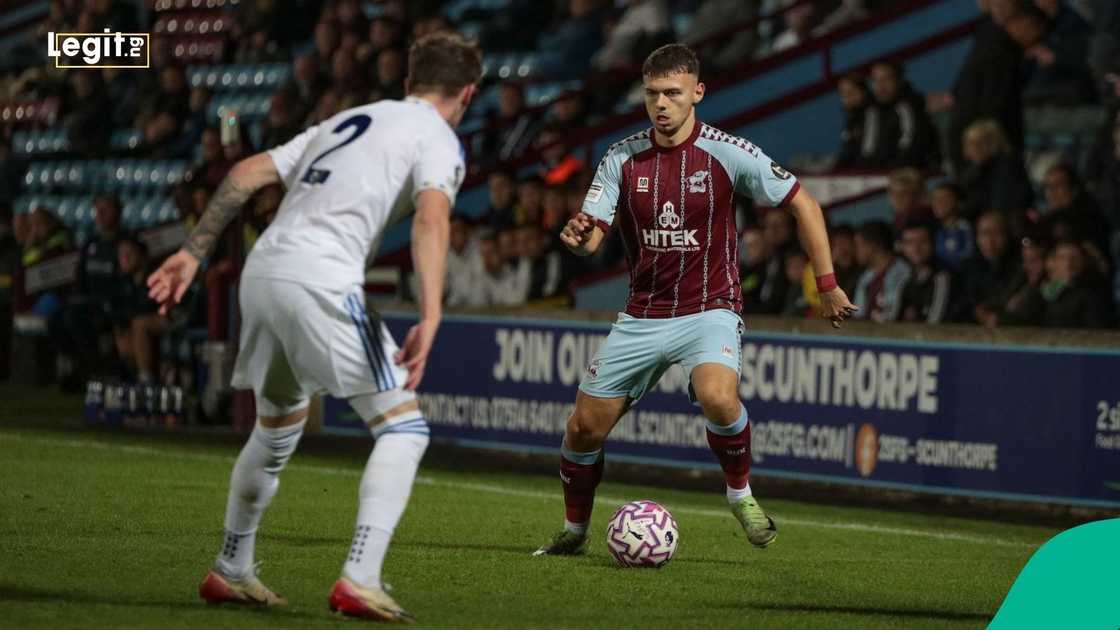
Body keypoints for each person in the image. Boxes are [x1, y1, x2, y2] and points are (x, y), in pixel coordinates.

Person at [147, 32, 482, 622]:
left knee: (276, 429)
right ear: (469, 94)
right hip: (320, 278)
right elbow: (432, 219)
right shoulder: (437, 136)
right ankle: (360, 578)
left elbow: (245, 172)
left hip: (263, 272)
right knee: (404, 428)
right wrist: (432, 314)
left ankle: (232, 568)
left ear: (408, 83)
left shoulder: (348, 119)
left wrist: (193, 253)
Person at [533, 44, 857, 558]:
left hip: (710, 307)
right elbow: (592, 236)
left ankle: (741, 496)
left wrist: (827, 282)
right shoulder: (620, 157)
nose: (661, 104)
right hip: (642, 314)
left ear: (698, 93)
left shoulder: (728, 153)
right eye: (652, 94)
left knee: (719, 397)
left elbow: (805, 204)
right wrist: (578, 235)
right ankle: (574, 531)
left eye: (673, 93)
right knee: (583, 428)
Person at [852, 220, 910, 322]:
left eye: (858, 245)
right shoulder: (865, 277)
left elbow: (893, 315)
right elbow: (858, 315)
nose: (855, 251)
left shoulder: (903, 272)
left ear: (873, 245)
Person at [897, 221, 954, 324]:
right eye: (909, 242)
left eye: (922, 241)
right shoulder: (906, 277)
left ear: (933, 243)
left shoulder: (942, 276)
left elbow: (934, 324)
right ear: (902, 247)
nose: (916, 248)